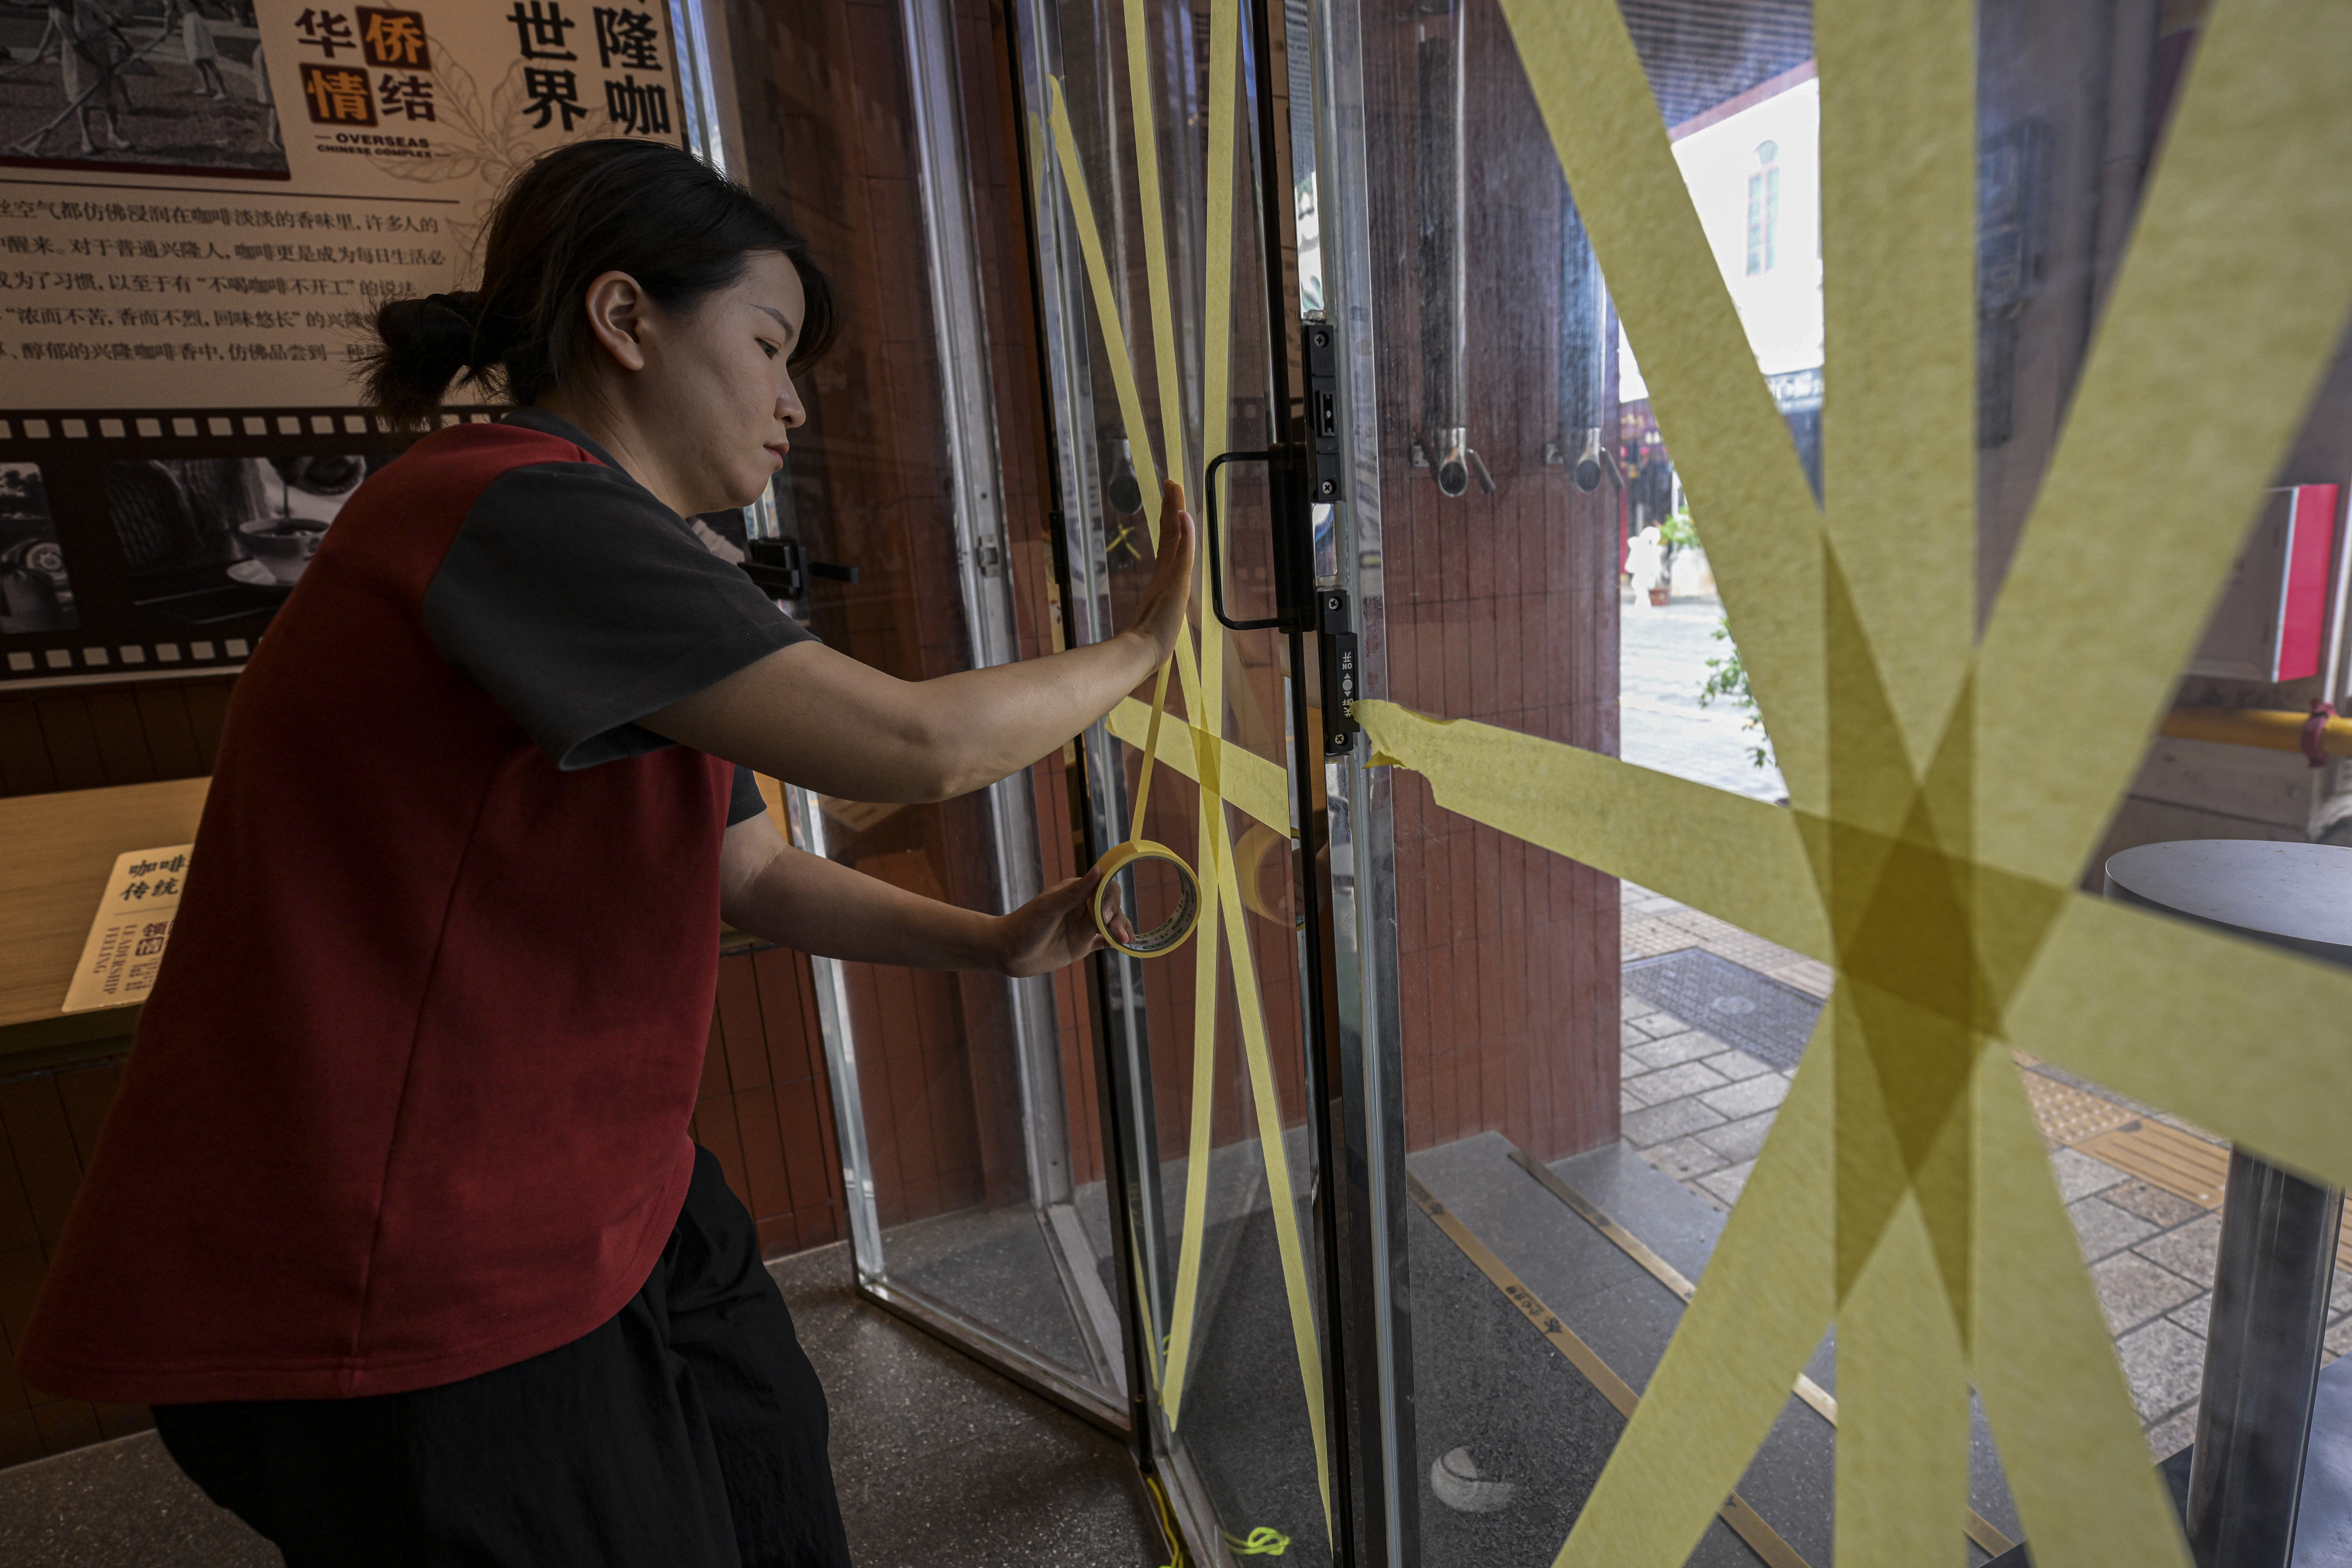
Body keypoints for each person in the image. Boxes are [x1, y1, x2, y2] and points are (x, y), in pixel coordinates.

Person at [15, 138, 1194, 1567]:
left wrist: (993, 942)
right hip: (417, 1248)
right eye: (768, 345)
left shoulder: (636, 551)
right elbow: (916, 744)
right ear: (625, 318)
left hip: (607, 1177)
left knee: (772, 1483)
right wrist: (1143, 647)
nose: (794, 402)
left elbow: (748, 871)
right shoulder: (510, 503)